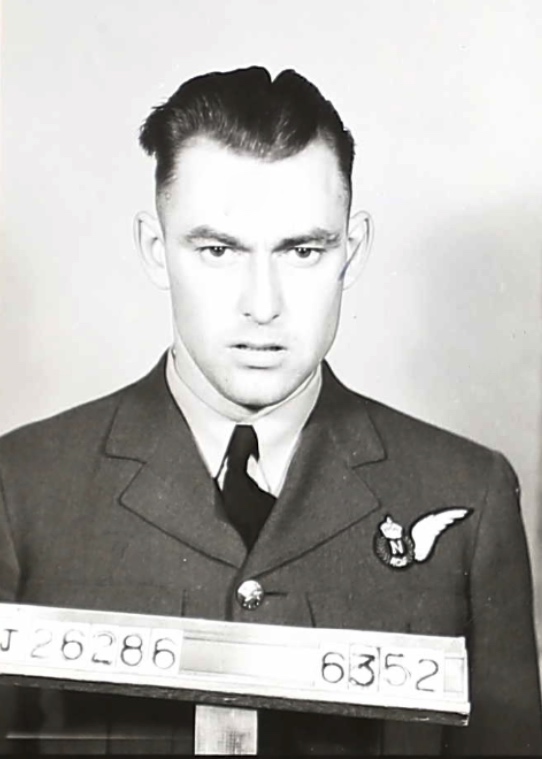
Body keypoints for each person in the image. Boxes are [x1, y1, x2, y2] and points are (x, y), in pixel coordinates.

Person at [0, 66, 540, 756]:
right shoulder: (21, 489)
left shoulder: (469, 494)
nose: (262, 304)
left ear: (352, 251)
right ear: (156, 251)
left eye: (303, 250)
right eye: (218, 250)